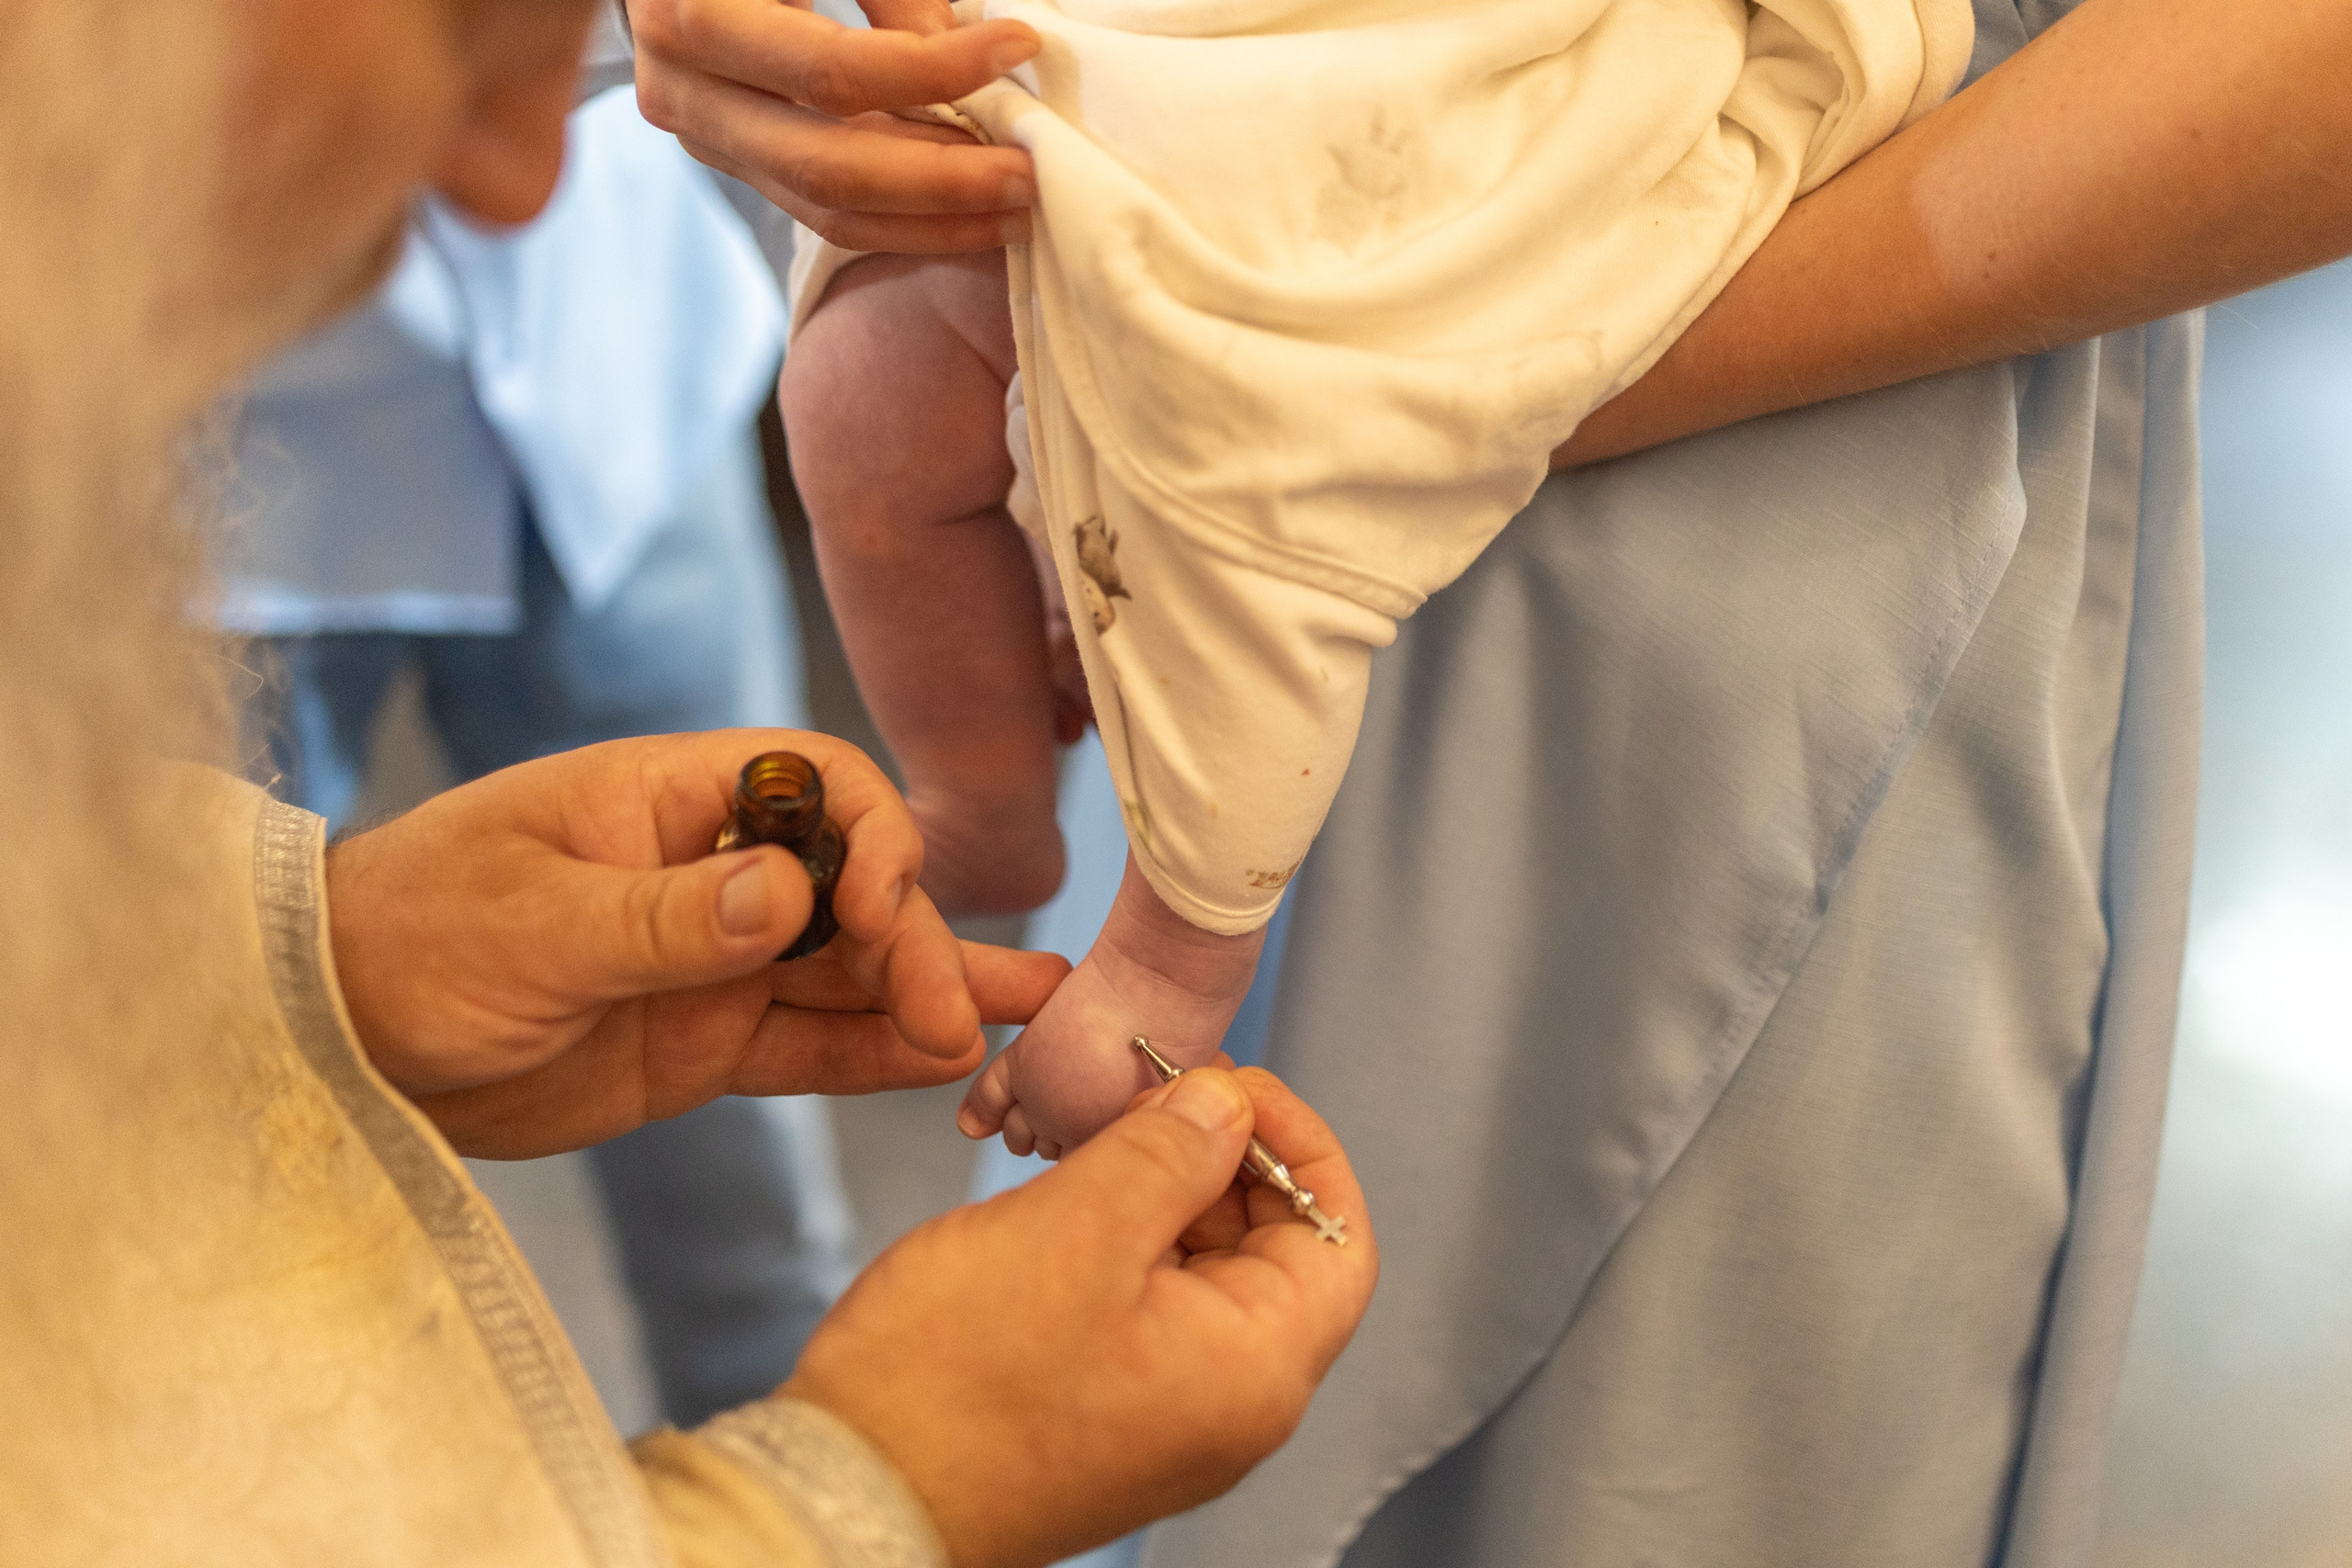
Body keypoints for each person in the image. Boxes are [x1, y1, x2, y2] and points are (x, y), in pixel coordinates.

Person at [622, 0, 2352, 1562]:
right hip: (1224, 224)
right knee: (1122, 1373)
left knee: (1606, 1466)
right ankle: (1010, 823)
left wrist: (1407, 397)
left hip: (1798, 439)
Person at [0, 4, 1378, 1565]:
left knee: (748, 1199)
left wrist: (286, 973)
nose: (535, 182)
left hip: (627, 434)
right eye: (456, 34)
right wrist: (849, 1504)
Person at [777, 0, 1971, 1160]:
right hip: (1177, 65)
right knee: (862, 381)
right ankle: (992, 793)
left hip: (1788, 302)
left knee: (1225, 438)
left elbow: (1257, 465)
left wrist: (1164, 965)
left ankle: (1167, 939)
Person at [223, 51, 852, 1424]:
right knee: (222, 1131)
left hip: (626, 394)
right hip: (199, 502)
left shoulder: (578, 179)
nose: (521, 184)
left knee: (745, 1108)